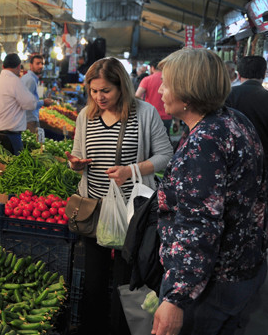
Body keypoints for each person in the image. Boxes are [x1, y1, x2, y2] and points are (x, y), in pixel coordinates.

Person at [153, 48, 267, 335]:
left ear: (186, 93)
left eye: (166, 83)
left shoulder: (204, 142)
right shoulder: (235, 121)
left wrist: (177, 296)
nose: (161, 90)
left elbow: (199, 223)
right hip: (244, 268)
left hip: (211, 284)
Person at [65, 57, 173, 335]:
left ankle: (122, 329)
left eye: (105, 91)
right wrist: (75, 164)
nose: (99, 97)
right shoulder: (84, 117)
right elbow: (77, 155)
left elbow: (165, 156)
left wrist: (131, 171)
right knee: (94, 279)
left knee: (127, 280)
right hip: (95, 210)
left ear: (121, 87)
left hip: (133, 213)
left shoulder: (145, 113)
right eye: (93, 91)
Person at [0, 53, 37, 154]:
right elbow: (31, 104)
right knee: (13, 168)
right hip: (10, 139)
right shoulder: (16, 82)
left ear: (3, 66)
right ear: (18, 66)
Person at [225, 56, 268, 163]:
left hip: (235, 162)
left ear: (238, 75)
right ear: (264, 74)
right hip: (264, 162)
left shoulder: (227, 96)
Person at [135, 59, 173, 132]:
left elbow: (137, 96)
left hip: (150, 116)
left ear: (152, 68)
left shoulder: (147, 80)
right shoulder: (169, 79)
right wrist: (177, 121)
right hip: (167, 116)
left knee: (149, 141)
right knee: (165, 140)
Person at [20, 54, 53, 133]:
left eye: (42, 64)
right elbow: (27, 103)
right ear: (31, 65)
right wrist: (43, 102)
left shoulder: (29, 78)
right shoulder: (30, 80)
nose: (41, 66)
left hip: (28, 119)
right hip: (29, 120)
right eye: (37, 63)